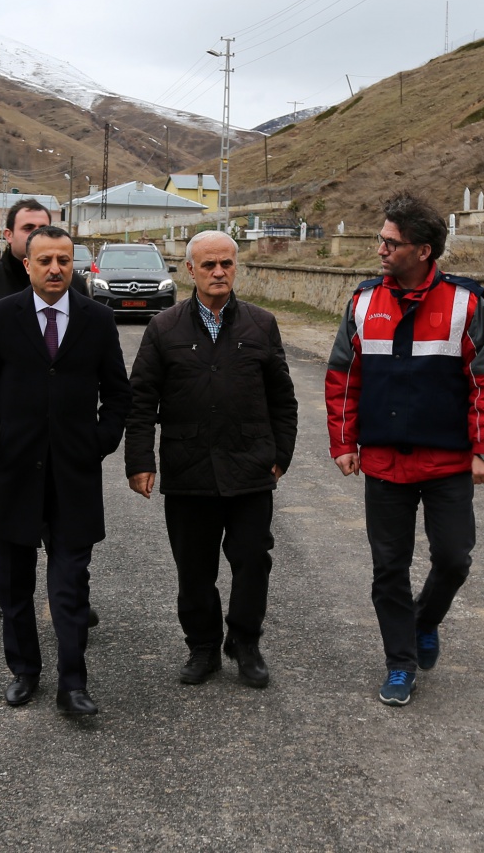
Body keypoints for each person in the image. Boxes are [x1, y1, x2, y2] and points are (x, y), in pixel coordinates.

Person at [325, 191, 484, 707]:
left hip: (448, 462)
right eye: (380, 240)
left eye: (390, 242)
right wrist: (343, 442)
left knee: (454, 559)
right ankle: (400, 662)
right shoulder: (362, 302)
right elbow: (343, 378)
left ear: (423, 250)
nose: (380, 249)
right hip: (384, 463)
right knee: (389, 569)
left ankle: (425, 620)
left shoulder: (466, 303)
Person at [0, 225, 131, 713]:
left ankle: (73, 684)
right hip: (13, 472)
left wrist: (99, 442)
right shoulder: (0, 316)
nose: (55, 269)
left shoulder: (97, 319)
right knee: (14, 584)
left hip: (74, 476)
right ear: (27, 265)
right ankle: (24, 672)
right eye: (45, 261)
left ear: (73, 264)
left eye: (64, 260)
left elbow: (119, 393)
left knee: (70, 584)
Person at [125, 230, 298, 688]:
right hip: (189, 470)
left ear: (236, 267)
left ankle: (244, 642)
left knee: (252, 560)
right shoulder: (164, 328)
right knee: (195, 567)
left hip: (250, 468)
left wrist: (282, 453)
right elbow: (140, 400)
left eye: (226, 263)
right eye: (208, 265)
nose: (218, 272)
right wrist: (139, 460)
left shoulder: (261, 324)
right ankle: (202, 646)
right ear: (190, 271)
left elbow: (283, 397)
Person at [0, 199, 84, 620]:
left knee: (62, 510)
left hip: (58, 429)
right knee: (2, 506)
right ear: (9, 236)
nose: (35, 234)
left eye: (43, 226)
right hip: (1, 426)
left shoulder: (71, 286)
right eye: (27, 228)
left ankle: (71, 594)